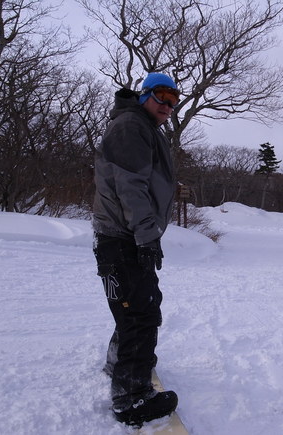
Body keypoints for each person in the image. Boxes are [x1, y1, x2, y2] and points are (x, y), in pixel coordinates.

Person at [92, 72, 180, 426]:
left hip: (124, 235)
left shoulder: (142, 127)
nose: (167, 107)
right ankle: (130, 399)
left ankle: (120, 362)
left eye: (173, 102)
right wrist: (146, 235)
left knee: (140, 306)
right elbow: (130, 186)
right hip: (123, 236)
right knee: (139, 314)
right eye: (161, 97)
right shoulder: (132, 126)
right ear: (143, 95)